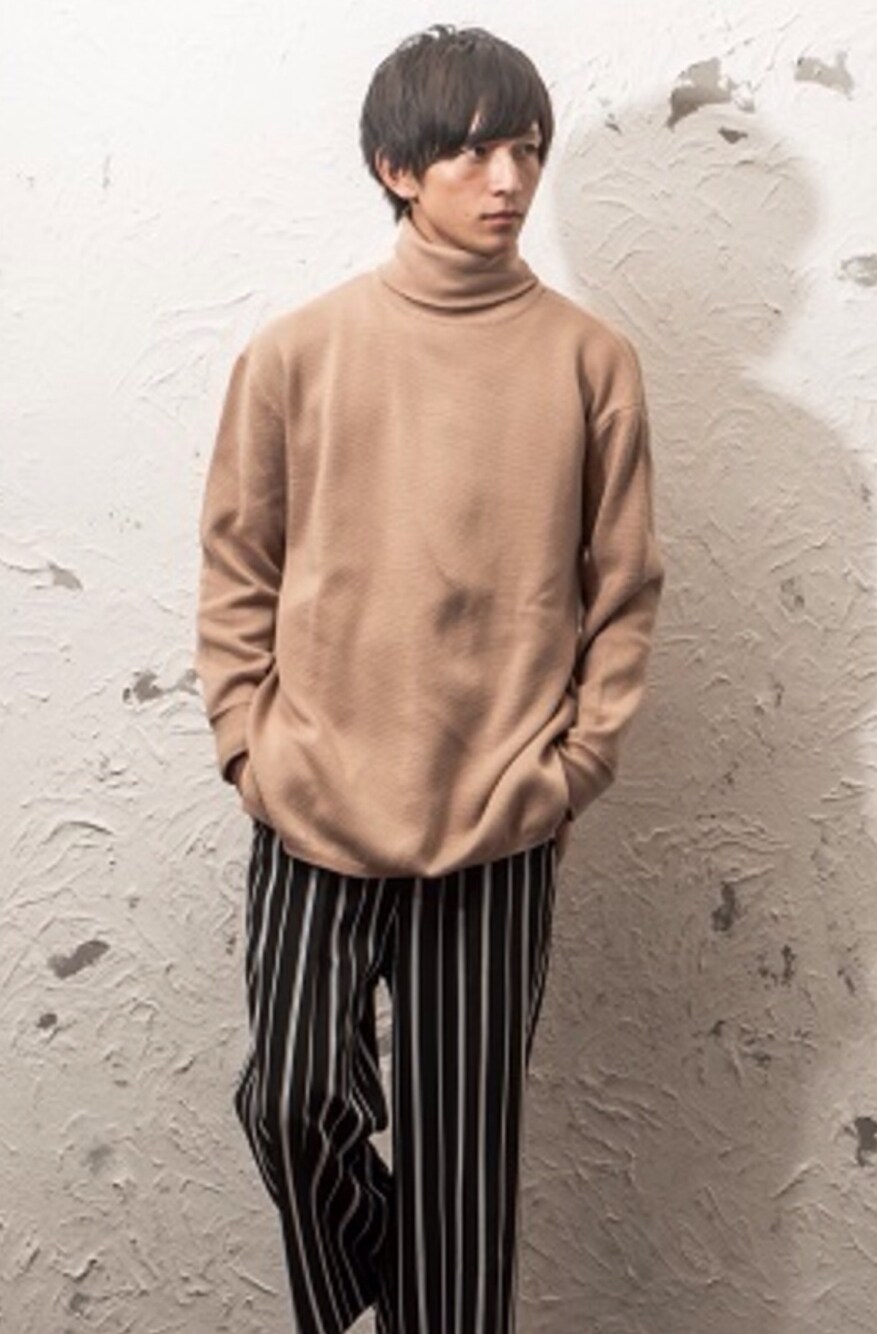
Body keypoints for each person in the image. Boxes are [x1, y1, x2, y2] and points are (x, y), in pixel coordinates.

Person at [195, 23, 664, 1334]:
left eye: (527, 148)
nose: (507, 178)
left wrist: (575, 767)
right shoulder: (297, 354)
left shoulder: (589, 362)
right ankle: (413, 1282)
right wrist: (247, 743)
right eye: (472, 151)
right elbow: (236, 562)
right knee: (294, 1102)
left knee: (465, 1161)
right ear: (395, 167)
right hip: (313, 798)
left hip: (500, 811)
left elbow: (624, 588)